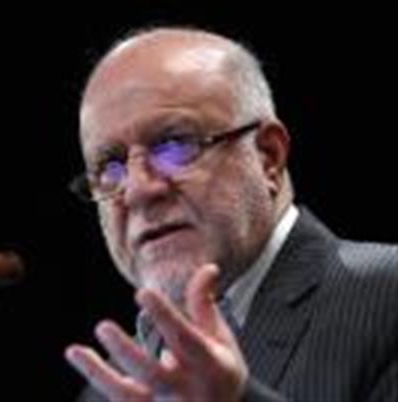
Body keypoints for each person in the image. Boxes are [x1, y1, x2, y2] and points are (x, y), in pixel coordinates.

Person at [63, 27, 398, 401]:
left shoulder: (387, 300)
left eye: (174, 144)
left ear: (268, 157)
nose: (138, 190)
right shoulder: (112, 386)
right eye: (110, 166)